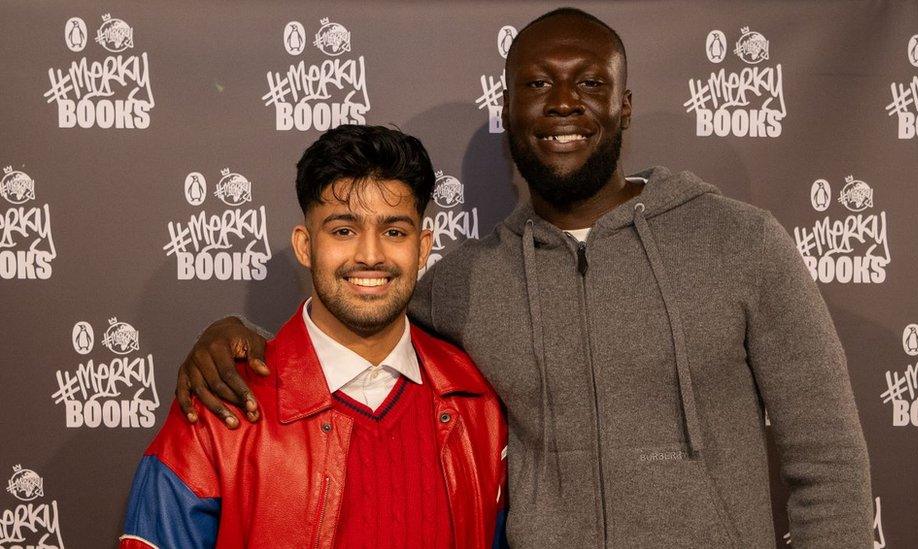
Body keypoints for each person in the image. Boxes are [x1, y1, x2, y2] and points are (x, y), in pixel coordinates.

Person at [175, 8, 873, 548]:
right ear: (509, 112)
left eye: (590, 82)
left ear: (624, 106)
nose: (563, 102)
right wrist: (241, 339)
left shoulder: (742, 243)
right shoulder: (467, 282)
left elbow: (830, 463)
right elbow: (361, 308)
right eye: (538, 84)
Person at [120, 125, 507, 549]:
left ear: (423, 246)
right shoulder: (220, 404)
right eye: (343, 231)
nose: (371, 255)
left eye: (394, 232)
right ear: (306, 246)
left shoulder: (477, 402)